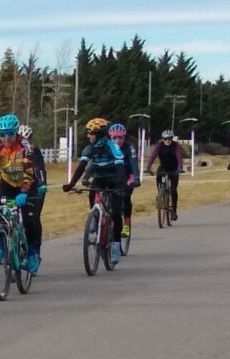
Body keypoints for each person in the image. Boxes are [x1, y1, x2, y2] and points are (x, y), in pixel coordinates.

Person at [0, 113, 44, 272]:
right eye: (3, 134)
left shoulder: (26, 146)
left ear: (16, 132)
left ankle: (31, 254)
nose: (7, 138)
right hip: (8, 183)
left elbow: (29, 170)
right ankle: (1, 245)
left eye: (10, 134)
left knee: (30, 219)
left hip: (27, 184)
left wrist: (24, 191)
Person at [63, 117, 125, 266]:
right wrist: (71, 183)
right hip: (99, 178)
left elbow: (120, 168)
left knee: (116, 213)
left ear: (99, 134)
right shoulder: (89, 148)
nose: (88, 136)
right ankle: (94, 219)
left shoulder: (112, 146)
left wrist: (121, 186)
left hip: (114, 178)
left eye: (90, 133)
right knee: (93, 194)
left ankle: (116, 244)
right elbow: (81, 167)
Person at [17, 124, 48, 273]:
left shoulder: (34, 151)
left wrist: (42, 184)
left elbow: (40, 168)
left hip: (35, 187)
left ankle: (35, 251)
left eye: (27, 138)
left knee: (32, 219)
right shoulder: (13, 149)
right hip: (18, 186)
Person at [108, 123, 139, 239]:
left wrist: (136, 178)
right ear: (110, 138)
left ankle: (126, 224)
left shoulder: (129, 147)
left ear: (124, 137)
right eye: (114, 138)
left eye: (120, 137)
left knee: (126, 197)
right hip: (112, 176)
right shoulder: (107, 146)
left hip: (127, 176)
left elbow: (133, 163)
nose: (117, 140)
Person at [144, 129, 185, 220]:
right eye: (165, 139)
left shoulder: (176, 146)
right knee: (159, 178)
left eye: (170, 138)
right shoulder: (159, 145)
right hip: (163, 167)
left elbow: (179, 157)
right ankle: (160, 194)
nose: (168, 140)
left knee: (173, 189)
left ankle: (174, 211)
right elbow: (153, 156)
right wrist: (148, 168)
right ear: (163, 139)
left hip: (174, 168)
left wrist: (180, 168)